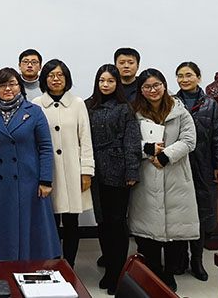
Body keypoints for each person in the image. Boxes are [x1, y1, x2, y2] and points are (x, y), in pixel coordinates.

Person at [128, 68, 198, 292]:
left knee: (175, 230)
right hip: (147, 177)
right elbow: (128, 142)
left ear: (164, 85)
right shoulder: (134, 112)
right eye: (147, 87)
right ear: (141, 90)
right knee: (148, 233)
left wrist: (167, 155)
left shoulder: (179, 110)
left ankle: (169, 274)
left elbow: (189, 139)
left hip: (176, 176)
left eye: (157, 85)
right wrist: (147, 149)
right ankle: (152, 273)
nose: (153, 90)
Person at [0, 67, 60, 261]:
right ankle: (7, 267)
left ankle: (30, 269)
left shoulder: (34, 111)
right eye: (2, 85)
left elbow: (45, 147)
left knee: (32, 229)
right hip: (1, 181)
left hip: (30, 180)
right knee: (4, 227)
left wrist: (46, 180)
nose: (8, 89)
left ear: (20, 87)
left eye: (12, 84)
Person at [32, 59, 94, 269]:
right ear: (44, 79)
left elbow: (85, 139)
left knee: (71, 222)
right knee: (49, 222)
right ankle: (51, 263)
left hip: (72, 170)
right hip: (48, 173)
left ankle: (69, 265)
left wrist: (86, 172)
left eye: (60, 75)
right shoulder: (37, 104)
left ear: (67, 78)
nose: (56, 79)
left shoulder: (77, 103)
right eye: (51, 75)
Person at [85, 64, 142, 295]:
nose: (105, 85)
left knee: (117, 223)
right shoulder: (87, 106)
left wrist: (132, 172)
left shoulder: (124, 108)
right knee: (102, 221)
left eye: (110, 81)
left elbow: (132, 142)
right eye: (102, 80)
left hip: (118, 170)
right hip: (95, 170)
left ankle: (117, 272)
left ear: (117, 84)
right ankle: (109, 265)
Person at [175, 62, 218, 281]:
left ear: (198, 77)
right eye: (180, 75)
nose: (184, 79)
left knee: (200, 214)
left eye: (189, 75)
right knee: (179, 214)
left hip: (203, 166)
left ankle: (197, 261)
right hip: (178, 165)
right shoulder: (172, 102)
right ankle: (179, 259)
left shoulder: (210, 104)